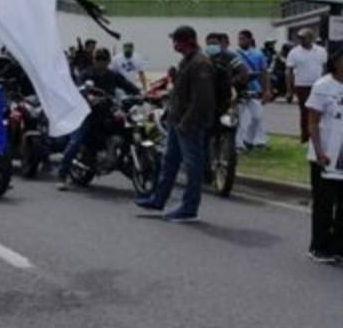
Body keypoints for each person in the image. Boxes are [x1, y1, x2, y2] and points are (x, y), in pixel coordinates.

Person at [135, 26, 216, 222]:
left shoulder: (200, 63)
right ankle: (158, 199)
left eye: (177, 41)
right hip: (176, 120)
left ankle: (189, 208)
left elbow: (201, 99)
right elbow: (182, 92)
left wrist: (187, 122)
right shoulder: (187, 62)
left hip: (189, 124)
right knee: (169, 162)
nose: (174, 45)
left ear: (188, 41)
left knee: (192, 167)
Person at [56, 48, 140, 190]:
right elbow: (79, 87)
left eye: (104, 59)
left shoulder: (112, 75)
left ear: (108, 61)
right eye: (98, 59)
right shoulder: (86, 74)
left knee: (127, 128)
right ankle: (62, 175)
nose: (101, 62)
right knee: (75, 142)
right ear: (94, 60)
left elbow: (127, 85)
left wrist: (140, 93)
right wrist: (88, 96)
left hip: (107, 112)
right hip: (87, 113)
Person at [303, 48, 343, 263]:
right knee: (324, 203)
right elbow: (312, 123)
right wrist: (319, 151)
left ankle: (338, 246)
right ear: (335, 61)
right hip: (326, 154)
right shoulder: (323, 86)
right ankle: (319, 246)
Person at [286, 28, 327, 144]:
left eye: (303, 38)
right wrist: (289, 90)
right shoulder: (294, 52)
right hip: (302, 85)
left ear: (311, 38)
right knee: (305, 112)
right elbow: (289, 72)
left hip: (318, 86)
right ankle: (305, 138)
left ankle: (318, 136)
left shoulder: (321, 51)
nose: (301, 40)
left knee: (319, 111)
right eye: (299, 38)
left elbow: (324, 69)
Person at [234, 30, 271, 150]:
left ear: (250, 39)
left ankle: (249, 140)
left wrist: (266, 90)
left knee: (257, 117)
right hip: (239, 90)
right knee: (237, 118)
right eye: (239, 39)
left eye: (243, 38)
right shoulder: (235, 54)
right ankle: (237, 144)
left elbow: (264, 73)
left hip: (255, 90)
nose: (241, 41)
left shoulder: (258, 54)